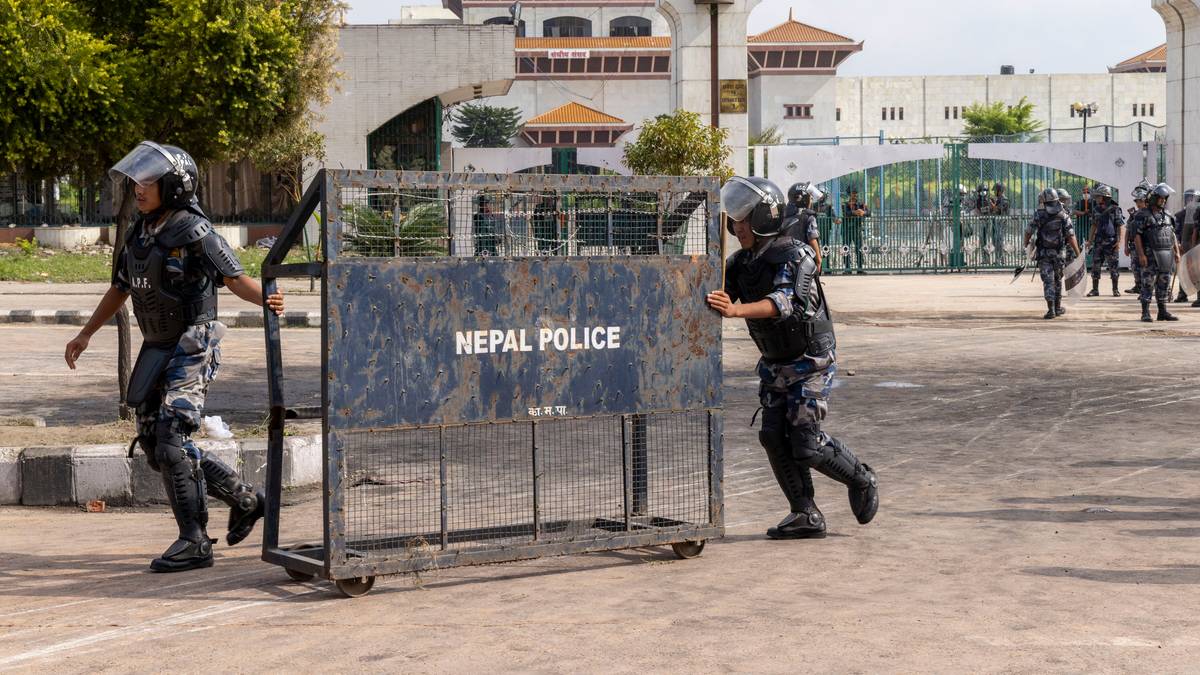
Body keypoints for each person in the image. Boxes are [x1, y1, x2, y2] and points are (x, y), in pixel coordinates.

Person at [64, 141, 285, 572]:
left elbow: (234, 278)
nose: (138, 189)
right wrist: (86, 333)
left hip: (192, 342)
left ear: (173, 185)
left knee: (170, 436)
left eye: (147, 182)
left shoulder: (194, 229)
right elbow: (120, 288)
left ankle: (195, 540)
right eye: (136, 181)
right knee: (153, 441)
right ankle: (244, 498)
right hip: (156, 345)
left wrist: (270, 300)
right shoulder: (140, 232)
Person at [707, 176, 878, 540]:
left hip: (809, 361)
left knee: (806, 442)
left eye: (743, 219)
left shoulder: (794, 254)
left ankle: (861, 478)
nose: (736, 227)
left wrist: (735, 312)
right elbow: (721, 293)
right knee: (772, 436)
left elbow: (786, 303)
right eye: (734, 220)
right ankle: (805, 513)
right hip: (774, 362)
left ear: (763, 218)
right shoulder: (742, 262)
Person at [1024, 187, 1081, 319]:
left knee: (1048, 281)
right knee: (1057, 279)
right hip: (1059, 254)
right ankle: (1057, 307)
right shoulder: (1063, 214)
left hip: (1044, 253)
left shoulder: (1039, 214)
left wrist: (1026, 244)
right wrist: (1078, 253)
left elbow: (1028, 231)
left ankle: (1051, 310)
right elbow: (1071, 236)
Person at [1131, 183, 1182, 322]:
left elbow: (1172, 235)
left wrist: (1177, 252)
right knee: (1147, 284)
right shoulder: (1142, 215)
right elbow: (1136, 236)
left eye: (1165, 198)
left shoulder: (1168, 216)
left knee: (1164, 284)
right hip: (1150, 255)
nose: (1163, 200)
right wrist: (1141, 255)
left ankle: (1163, 312)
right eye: (1160, 198)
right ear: (1153, 198)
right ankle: (1145, 312)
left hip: (1166, 255)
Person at [1085, 185, 1125, 297]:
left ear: (1104, 197)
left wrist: (1119, 241)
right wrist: (1090, 240)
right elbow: (1093, 225)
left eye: (1099, 196)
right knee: (1095, 266)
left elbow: (1120, 226)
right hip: (1098, 242)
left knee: (1114, 267)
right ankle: (1095, 289)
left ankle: (1115, 289)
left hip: (1111, 242)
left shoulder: (1115, 209)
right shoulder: (1096, 209)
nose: (1097, 198)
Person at [785, 182, 824, 269]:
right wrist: (818, 260)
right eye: (810, 198)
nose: (810, 201)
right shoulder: (808, 217)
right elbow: (812, 239)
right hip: (804, 258)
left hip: (786, 257)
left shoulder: (784, 215)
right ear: (804, 199)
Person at [1124, 182, 1153, 296]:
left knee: (1146, 269)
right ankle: (1138, 286)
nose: (1138, 203)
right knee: (1135, 268)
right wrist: (1126, 246)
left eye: (1140, 201)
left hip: (1146, 246)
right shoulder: (1134, 215)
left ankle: (1146, 289)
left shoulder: (1150, 214)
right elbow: (1128, 230)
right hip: (1134, 246)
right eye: (1136, 201)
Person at [1173, 188, 1198, 303]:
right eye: (1187, 197)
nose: (1189, 200)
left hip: (1196, 246)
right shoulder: (1180, 215)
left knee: (1198, 272)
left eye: (1191, 197)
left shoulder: (1198, 212)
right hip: (1185, 245)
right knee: (1184, 271)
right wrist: (1178, 244)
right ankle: (1182, 295)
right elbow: (1176, 232)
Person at [841, 188, 870, 273]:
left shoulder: (861, 204)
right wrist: (855, 212)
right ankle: (847, 268)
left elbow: (869, 213)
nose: (855, 195)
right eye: (853, 193)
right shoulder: (845, 204)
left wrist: (863, 213)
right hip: (846, 229)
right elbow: (846, 213)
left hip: (857, 229)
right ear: (849, 194)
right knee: (846, 249)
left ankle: (860, 268)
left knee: (859, 249)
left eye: (856, 193)